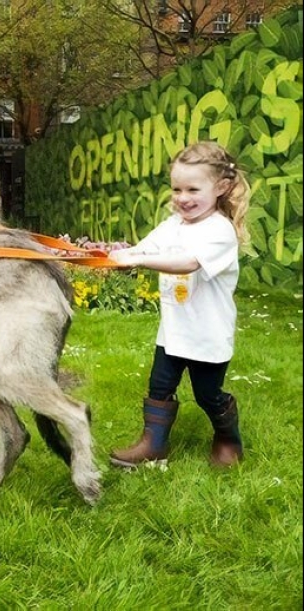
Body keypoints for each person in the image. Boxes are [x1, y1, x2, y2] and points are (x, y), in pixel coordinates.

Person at [108, 141, 251, 468]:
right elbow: (144, 249)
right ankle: (154, 445)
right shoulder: (173, 224)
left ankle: (228, 439)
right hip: (173, 332)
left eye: (192, 189)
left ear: (221, 187)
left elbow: (188, 262)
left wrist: (139, 260)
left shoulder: (219, 230)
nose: (183, 198)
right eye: (176, 189)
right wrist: (116, 255)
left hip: (207, 335)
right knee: (159, 387)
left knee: (207, 395)